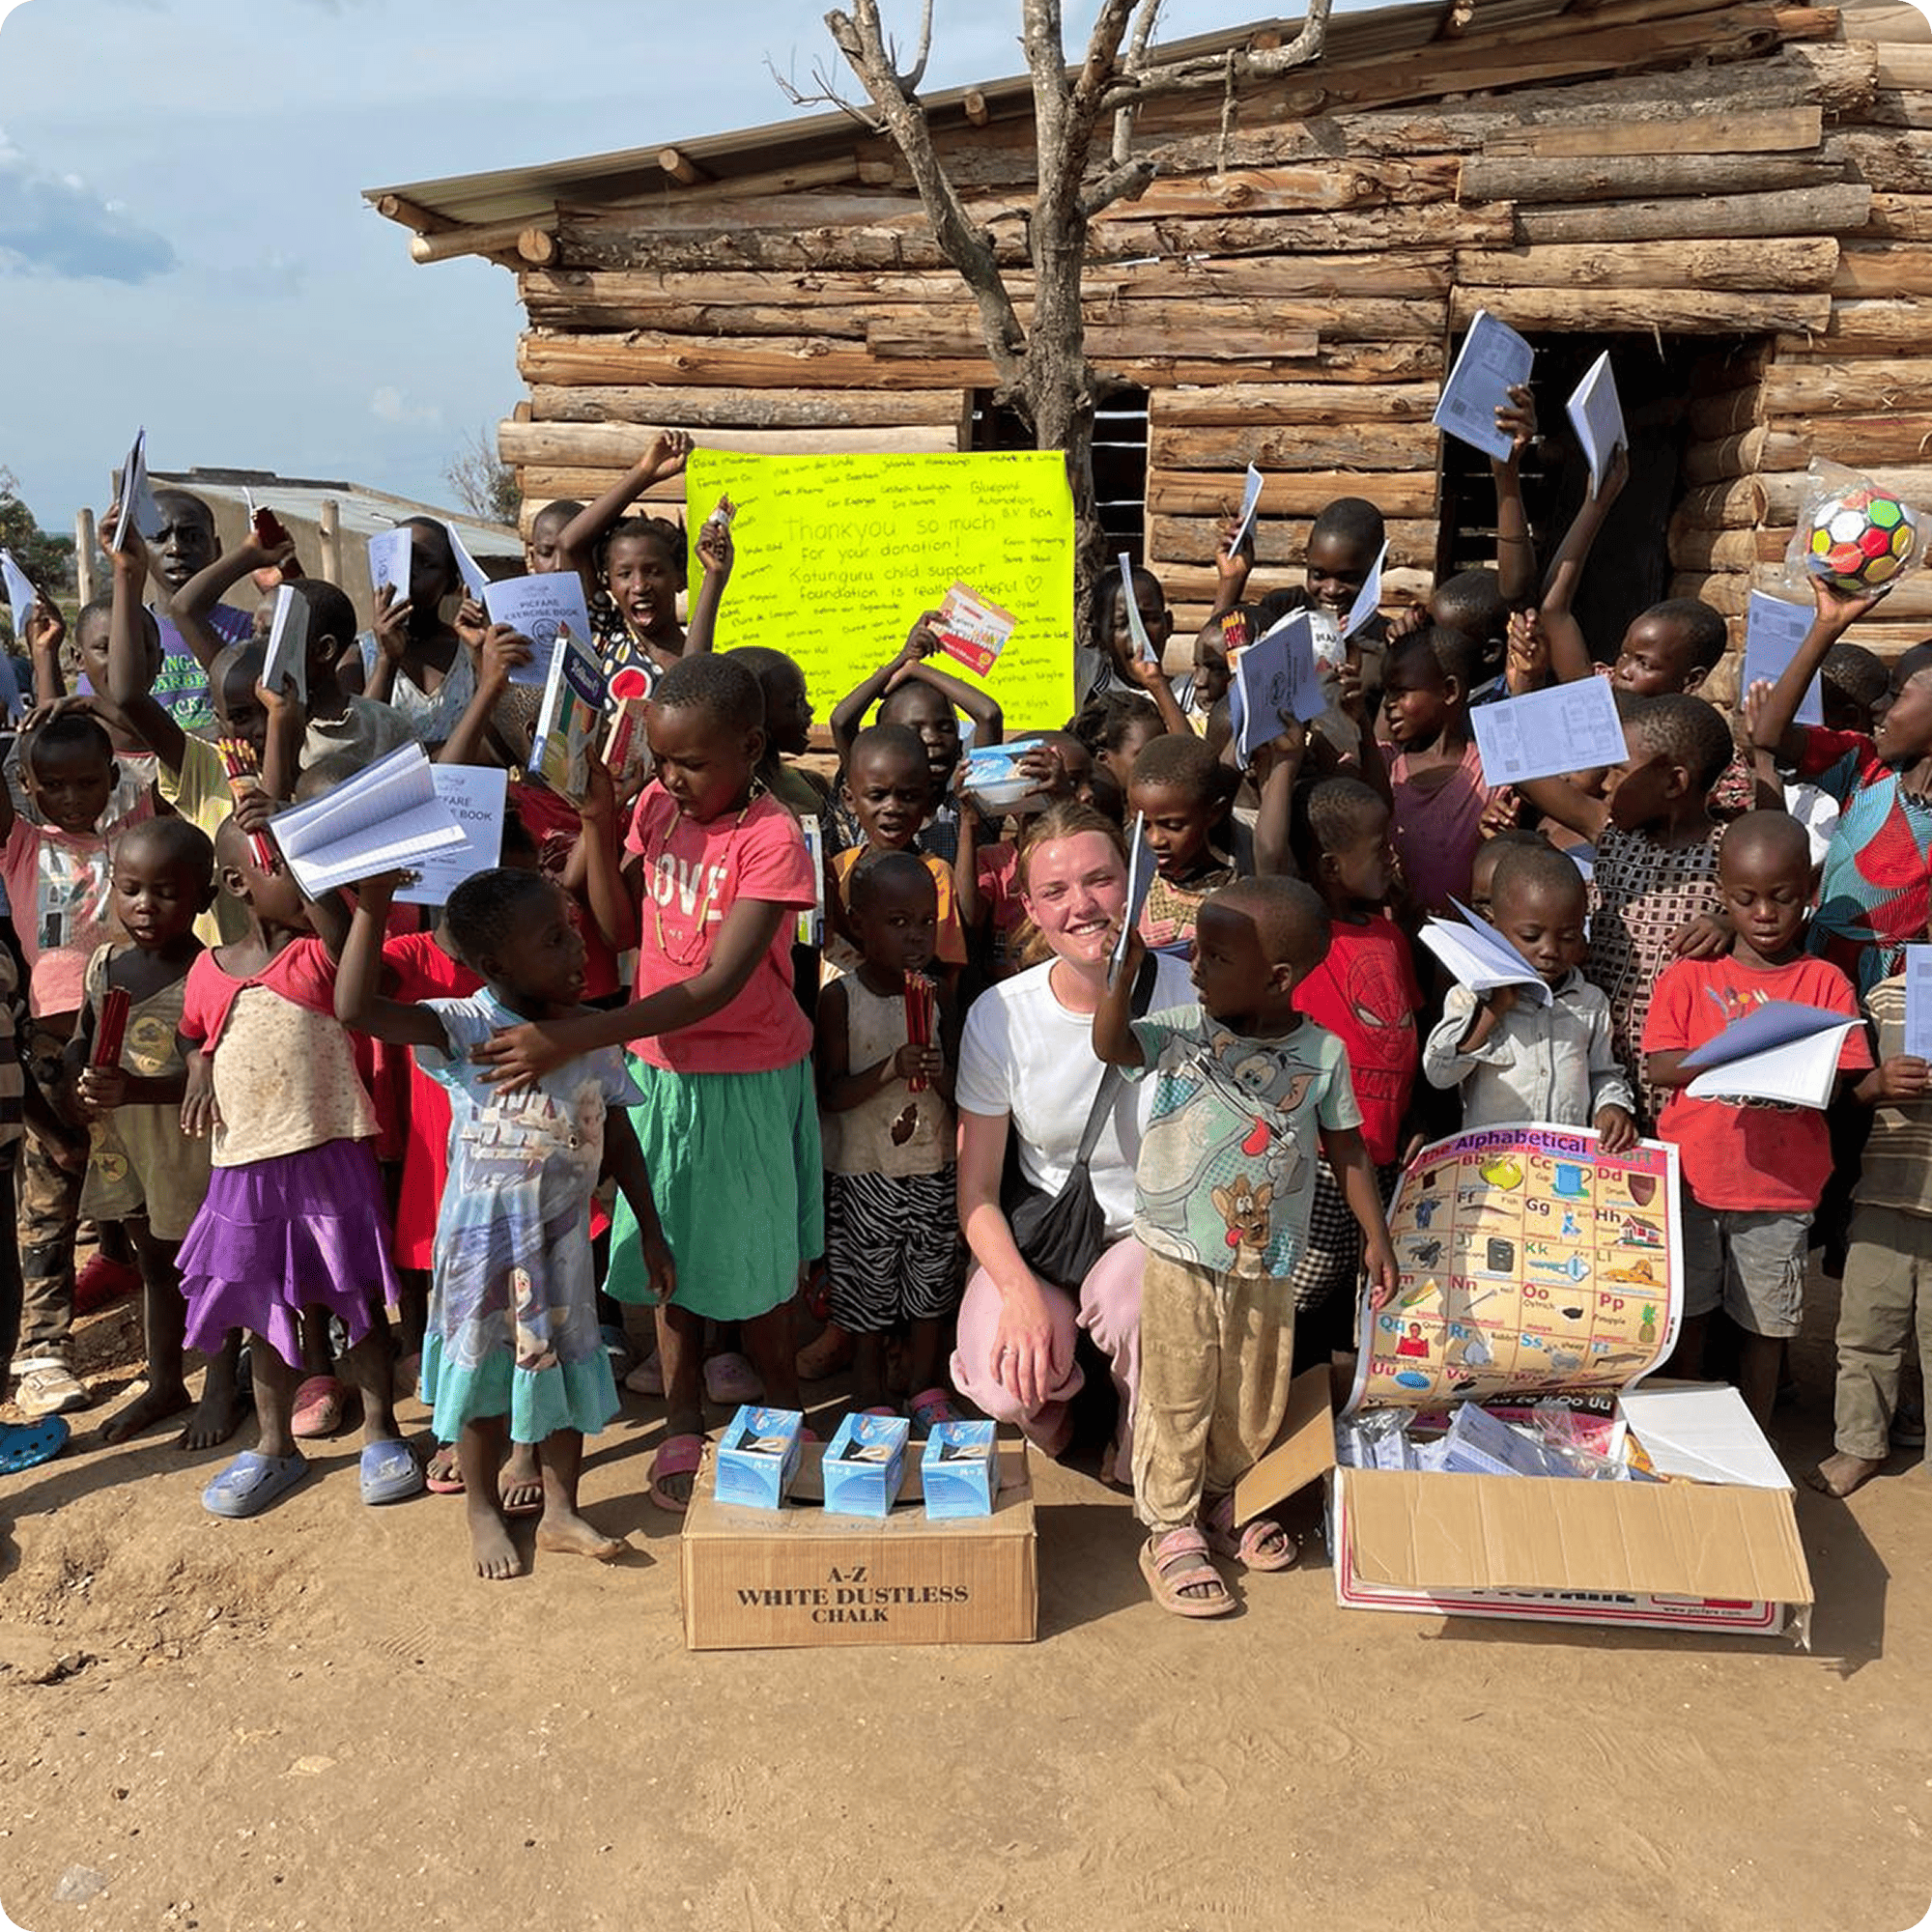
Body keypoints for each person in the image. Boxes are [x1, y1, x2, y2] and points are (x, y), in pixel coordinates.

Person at [469, 654, 821, 1513]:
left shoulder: (771, 838)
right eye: (661, 760)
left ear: (750, 747)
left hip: (746, 1076)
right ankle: (681, 1417)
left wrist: (571, 1037)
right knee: (668, 1256)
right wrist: (600, 821)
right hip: (661, 1074)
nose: (671, 778)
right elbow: (620, 926)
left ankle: (783, 1412)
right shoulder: (657, 809)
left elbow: (718, 985)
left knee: (757, 1258)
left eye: (691, 763)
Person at [336, 865, 673, 1579]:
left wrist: (650, 1227)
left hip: (561, 1248)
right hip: (480, 1253)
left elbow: (619, 1135)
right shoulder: (463, 1026)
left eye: (573, 931)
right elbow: (355, 1008)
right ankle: (482, 1509)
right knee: (484, 1386)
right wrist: (374, 903)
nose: (577, 949)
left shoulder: (593, 1032)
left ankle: (561, 1511)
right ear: (494, 965)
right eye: (553, 940)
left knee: (565, 1377)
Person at [1095, 878, 1398, 1616]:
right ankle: (1169, 1524)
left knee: (1251, 1394)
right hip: (1177, 1253)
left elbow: (1347, 1150)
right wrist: (1122, 980)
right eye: (1196, 950)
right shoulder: (1182, 1031)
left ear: (1278, 977)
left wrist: (1377, 1236)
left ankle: (1226, 1497)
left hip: (1269, 1261)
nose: (1195, 966)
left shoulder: (1322, 1053)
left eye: (1215, 956)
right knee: (1178, 1388)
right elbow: (1112, 1044)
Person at [175, 819, 417, 1518]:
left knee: (357, 1302)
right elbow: (193, 1035)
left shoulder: (318, 957)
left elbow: (357, 958)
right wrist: (199, 1065)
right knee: (263, 1313)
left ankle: (382, 1432)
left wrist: (309, 869)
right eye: (287, 866)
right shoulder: (207, 969)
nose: (311, 880)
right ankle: (276, 1446)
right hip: (244, 1172)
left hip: (329, 1156)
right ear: (237, 883)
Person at [951, 802, 1194, 1482]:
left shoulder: (1196, 996)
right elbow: (977, 1192)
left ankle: (1142, 1443)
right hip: (1052, 1241)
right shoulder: (1000, 1016)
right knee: (1003, 1381)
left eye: (1100, 880)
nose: (1082, 906)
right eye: (1055, 891)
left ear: (1135, 882)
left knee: (1128, 1299)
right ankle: (1064, 1418)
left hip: (1158, 1236)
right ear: (1030, 908)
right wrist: (1020, 1294)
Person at [1642, 811, 1871, 1425]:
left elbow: (1840, 1081)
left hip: (1779, 1192)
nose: (1764, 913)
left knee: (1766, 1328)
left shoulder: (1824, 983)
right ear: (1722, 895)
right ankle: (1681, 1432)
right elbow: (1660, 1065)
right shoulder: (1692, 975)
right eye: (1745, 899)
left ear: (1809, 893)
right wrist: (1733, 1053)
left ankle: (1759, 1438)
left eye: (1782, 898)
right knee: (1687, 1320)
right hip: (1693, 1184)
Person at [71, 817, 245, 1447]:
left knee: (207, 1268)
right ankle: (165, 1381)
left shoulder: (208, 975)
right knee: (153, 1266)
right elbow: (84, 1039)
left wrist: (135, 1089)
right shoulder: (105, 964)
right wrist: (77, 1076)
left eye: (167, 892)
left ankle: (220, 1385)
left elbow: (218, 1077)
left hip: (186, 1148)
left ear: (204, 897)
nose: (145, 905)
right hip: (125, 1147)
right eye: (131, 889)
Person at [1, 709, 152, 1418]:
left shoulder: (134, 837)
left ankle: (191, 1318)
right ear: (28, 787)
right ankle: (42, 1351)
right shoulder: (22, 846)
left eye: (87, 782)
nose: (71, 798)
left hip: (140, 1040)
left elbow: (136, 709)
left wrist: (78, 694)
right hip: (53, 1051)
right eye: (53, 786)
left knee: (152, 1185)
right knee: (49, 1196)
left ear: (113, 779)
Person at [1520, 693, 1735, 1129]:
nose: (1603, 783)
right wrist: (1526, 683)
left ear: (1673, 782)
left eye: (1618, 770)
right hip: (1593, 1064)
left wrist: (1730, 923)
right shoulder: (1612, 834)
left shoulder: (1730, 851)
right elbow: (1521, 767)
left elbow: (1776, 909)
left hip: (1677, 1074)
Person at [814, 851, 961, 1428]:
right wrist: (890, 1068)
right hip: (864, 1170)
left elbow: (960, 1091)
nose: (916, 936)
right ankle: (868, 1388)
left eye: (926, 921)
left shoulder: (938, 995)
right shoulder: (841, 999)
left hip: (931, 1164)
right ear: (859, 923)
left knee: (930, 1282)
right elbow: (830, 1094)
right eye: (898, 923)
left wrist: (936, 1073)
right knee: (865, 1285)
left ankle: (924, 1386)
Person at [1288, 777, 1422, 1367]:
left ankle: (1339, 1400)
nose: (1392, 855)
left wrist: (1415, 1116)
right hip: (1322, 1163)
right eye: (1378, 847)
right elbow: (1269, 851)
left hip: (1384, 1158)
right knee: (1299, 1296)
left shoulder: (1390, 936)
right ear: (1330, 866)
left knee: (1367, 1291)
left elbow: (1407, 1029)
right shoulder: (1305, 937)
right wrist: (1283, 764)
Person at [1747, 581, 1932, 995]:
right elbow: (1770, 734)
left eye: (1896, 694)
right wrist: (1826, 626)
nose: (1878, 708)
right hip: (1819, 974)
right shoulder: (1865, 767)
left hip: (1897, 992)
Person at [1809, 935, 1932, 1497]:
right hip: (1884, 1195)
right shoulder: (1887, 998)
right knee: (1866, 1334)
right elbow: (1842, 1096)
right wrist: (1877, 1085)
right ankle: (1858, 1446)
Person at [1423, 841, 1637, 1146]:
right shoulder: (1469, 997)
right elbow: (1439, 1073)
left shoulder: (1590, 1003)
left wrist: (1611, 1105)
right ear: (1492, 926)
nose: (1549, 950)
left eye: (1568, 937)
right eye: (1531, 937)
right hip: (1495, 1162)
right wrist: (1494, 1010)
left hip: (1562, 1160)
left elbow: (1602, 1073)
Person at [826, 616, 1004, 866]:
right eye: (914, 731)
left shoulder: (965, 808)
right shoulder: (868, 798)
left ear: (959, 745)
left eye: (945, 728)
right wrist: (901, 659)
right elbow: (841, 721)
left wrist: (915, 668)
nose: (932, 739)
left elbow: (989, 715)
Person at [825, 724, 971, 977]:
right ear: (849, 799)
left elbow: (940, 973)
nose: (893, 808)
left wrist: (842, 923)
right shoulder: (840, 866)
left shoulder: (933, 874)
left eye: (909, 797)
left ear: (927, 801)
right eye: (877, 795)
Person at [1379, 627, 1498, 915]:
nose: (1388, 704)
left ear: (1449, 691)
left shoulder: (1488, 770)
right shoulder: (1386, 764)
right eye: (1386, 692)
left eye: (1401, 692)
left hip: (1462, 936)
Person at [349, 519, 476, 748]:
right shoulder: (357, 657)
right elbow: (359, 747)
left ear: (451, 582)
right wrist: (387, 660)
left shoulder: (471, 653)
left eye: (426, 563)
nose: (409, 572)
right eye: (401, 560)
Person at [1125, 731, 1247, 954]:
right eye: (1143, 825)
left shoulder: (1235, 897)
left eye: (1173, 826)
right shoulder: (1130, 876)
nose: (1155, 839)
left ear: (1214, 813)